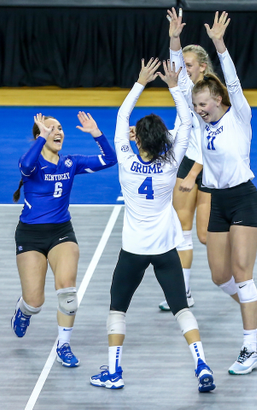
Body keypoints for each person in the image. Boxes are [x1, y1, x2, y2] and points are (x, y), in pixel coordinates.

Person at [90, 59, 215, 393]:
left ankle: (114, 372)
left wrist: (140, 82)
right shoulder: (171, 163)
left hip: (133, 250)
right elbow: (186, 123)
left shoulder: (126, 161)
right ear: (163, 142)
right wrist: (175, 87)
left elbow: (120, 117)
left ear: (137, 141)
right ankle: (201, 363)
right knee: (181, 309)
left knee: (118, 308)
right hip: (164, 249)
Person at [189, 11, 257, 374]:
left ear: (219, 100)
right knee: (218, 275)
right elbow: (186, 93)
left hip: (243, 198)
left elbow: (233, 80)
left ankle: (250, 347)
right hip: (217, 201)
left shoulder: (238, 114)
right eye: (197, 107)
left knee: (242, 272)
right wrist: (175, 45)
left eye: (204, 105)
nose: (200, 111)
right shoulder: (202, 121)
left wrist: (218, 44)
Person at [11, 111, 116, 368]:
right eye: (51, 129)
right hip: (31, 234)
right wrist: (40, 139)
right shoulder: (33, 164)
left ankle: (64, 345)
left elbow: (110, 159)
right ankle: (24, 310)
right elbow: (25, 165)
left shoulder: (71, 162)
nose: (58, 132)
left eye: (59, 128)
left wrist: (96, 134)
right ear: (39, 136)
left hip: (61, 232)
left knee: (68, 293)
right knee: (35, 303)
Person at [159, 8, 216, 311]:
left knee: (198, 233)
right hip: (191, 163)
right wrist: (174, 37)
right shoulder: (187, 87)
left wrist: (193, 172)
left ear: (203, 67)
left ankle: (232, 273)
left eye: (190, 65)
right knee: (187, 230)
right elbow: (185, 128)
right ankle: (185, 293)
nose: (185, 69)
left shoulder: (212, 95)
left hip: (202, 166)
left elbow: (211, 140)